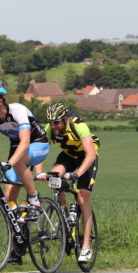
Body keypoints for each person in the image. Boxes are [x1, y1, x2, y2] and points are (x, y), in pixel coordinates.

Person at [0, 80, 49, 265]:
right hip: (17, 150)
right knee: (9, 201)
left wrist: (9, 163)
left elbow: (25, 143)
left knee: (18, 162)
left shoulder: (17, 110)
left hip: (37, 144)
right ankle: (18, 246)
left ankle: (34, 200)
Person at [36, 102, 100, 263]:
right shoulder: (50, 128)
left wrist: (76, 174)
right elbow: (39, 150)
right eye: (51, 122)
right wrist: (39, 173)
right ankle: (65, 216)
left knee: (83, 198)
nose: (53, 126)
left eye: (56, 122)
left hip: (86, 158)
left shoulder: (78, 125)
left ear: (64, 119)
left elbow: (90, 154)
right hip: (68, 156)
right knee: (54, 179)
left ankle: (86, 247)